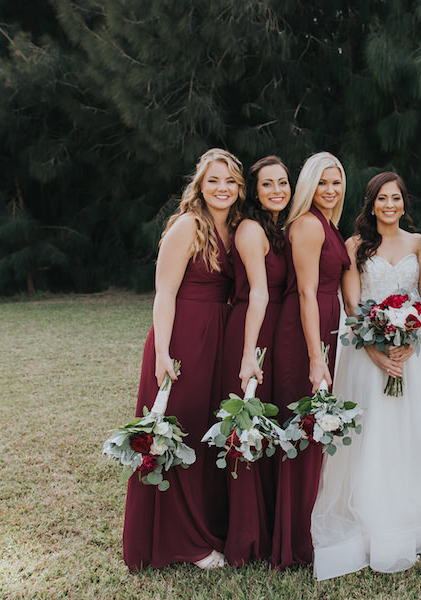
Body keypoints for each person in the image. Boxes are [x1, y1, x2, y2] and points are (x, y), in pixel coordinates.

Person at [311, 172, 421, 580]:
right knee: (374, 431)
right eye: (381, 199)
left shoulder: (419, 243)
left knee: (414, 430)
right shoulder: (354, 246)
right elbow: (352, 307)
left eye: (396, 199)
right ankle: (373, 511)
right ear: (371, 204)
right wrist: (375, 350)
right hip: (368, 353)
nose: (390, 205)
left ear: (404, 203)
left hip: (414, 353)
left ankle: (419, 510)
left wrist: (415, 334)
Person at [122, 148, 242, 571]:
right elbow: (165, 293)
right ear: (200, 184)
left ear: (239, 187)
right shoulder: (188, 225)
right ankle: (183, 543)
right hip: (183, 341)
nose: (221, 188)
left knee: (207, 437)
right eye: (213, 180)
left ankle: (204, 527)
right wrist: (162, 353)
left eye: (229, 181)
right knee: (182, 434)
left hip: (219, 341)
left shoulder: (234, 229)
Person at [270, 151, 350, 569]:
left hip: (324, 326)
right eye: (323, 183)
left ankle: (305, 525)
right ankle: (293, 541)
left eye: (337, 182)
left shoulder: (329, 225)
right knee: (303, 426)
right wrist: (316, 357)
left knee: (314, 429)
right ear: (309, 186)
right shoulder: (305, 225)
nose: (331, 190)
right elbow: (305, 292)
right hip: (304, 332)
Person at [220, 155, 291, 566]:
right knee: (248, 426)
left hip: (272, 331)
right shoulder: (249, 229)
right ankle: (247, 536)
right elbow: (259, 293)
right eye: (268, 185)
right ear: (254, 190)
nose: (277, 190)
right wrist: (249, 353)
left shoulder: (274, 227)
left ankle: (266, 525)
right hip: (253, 330)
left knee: (266, 423)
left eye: (283, 183)